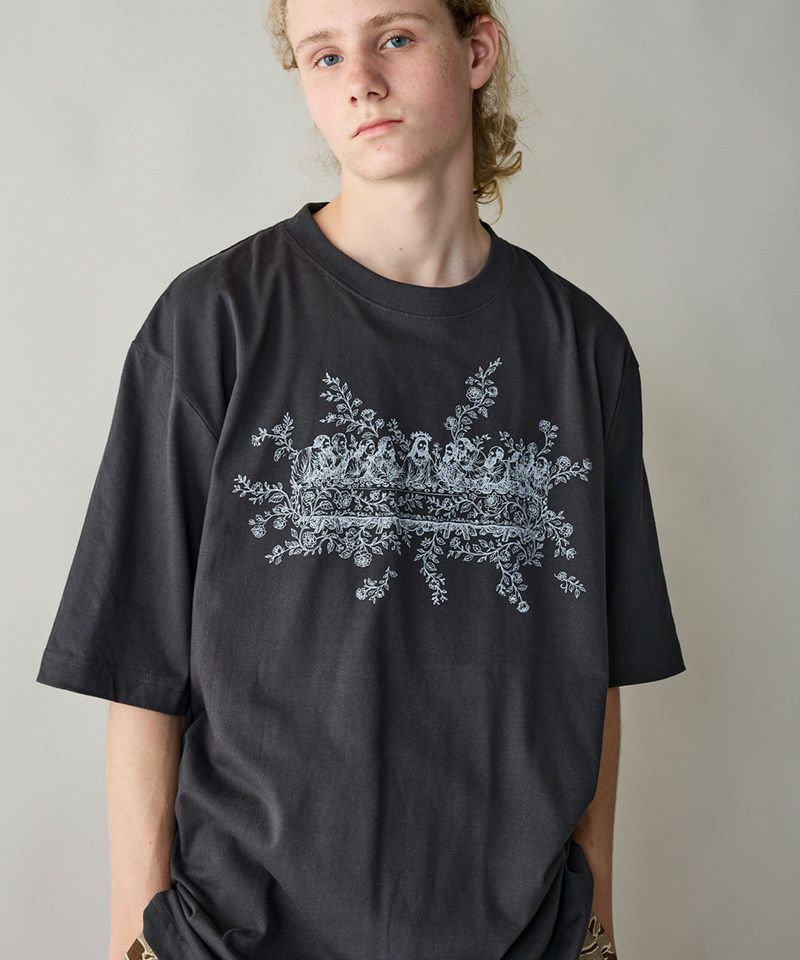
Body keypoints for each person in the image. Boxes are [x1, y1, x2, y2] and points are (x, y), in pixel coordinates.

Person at [35, 2, 687, 959]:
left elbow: (597, 673)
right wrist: (135, 942)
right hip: (243, 938)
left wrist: (596, 933)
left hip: (518, 940)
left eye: (395, 38)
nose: (360, 82)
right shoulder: (212, 324)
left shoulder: (584, 352)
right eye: (324, 55)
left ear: (476, 49)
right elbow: (140, 664)